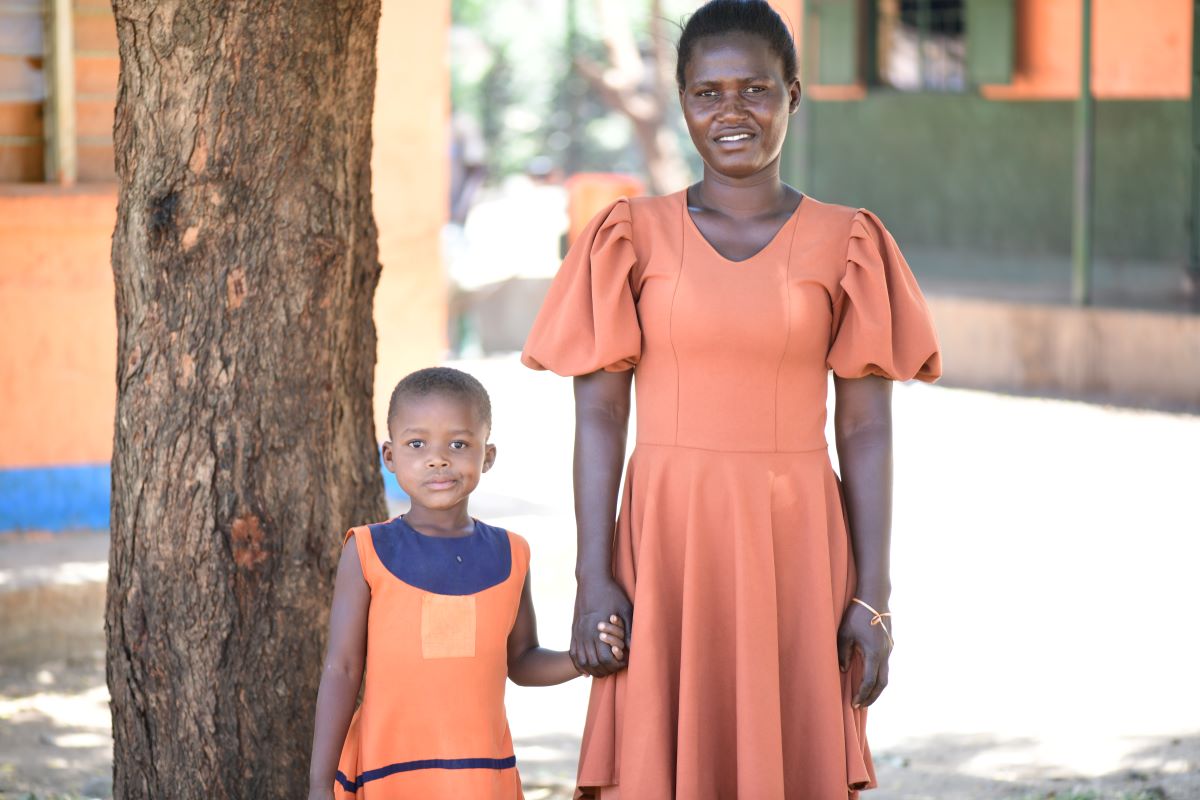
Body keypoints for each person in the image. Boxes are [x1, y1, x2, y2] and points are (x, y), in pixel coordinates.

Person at [521, 1, 941, 797]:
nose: (731, 111)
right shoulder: (627, 237)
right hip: (666, 537)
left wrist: (874, 597)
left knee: (785, 755)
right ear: (681, 103)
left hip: (795, 541)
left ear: (793, 96)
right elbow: (601, 414)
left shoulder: (848, 242)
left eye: (755, 89)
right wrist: (593, 576)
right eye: (707, 93)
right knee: (660, 755)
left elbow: (867, 429)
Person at [307, 367, 628, 799]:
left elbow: (522, 662)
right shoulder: (367, 550)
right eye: (416, 444)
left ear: (487, 455)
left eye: (458, 444)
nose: (437, 459)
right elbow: (342, 669)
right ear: (389, 456)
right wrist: (318, 783)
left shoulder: (511, 554)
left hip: (480, 778)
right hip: (389, 774)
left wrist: (583, 658)